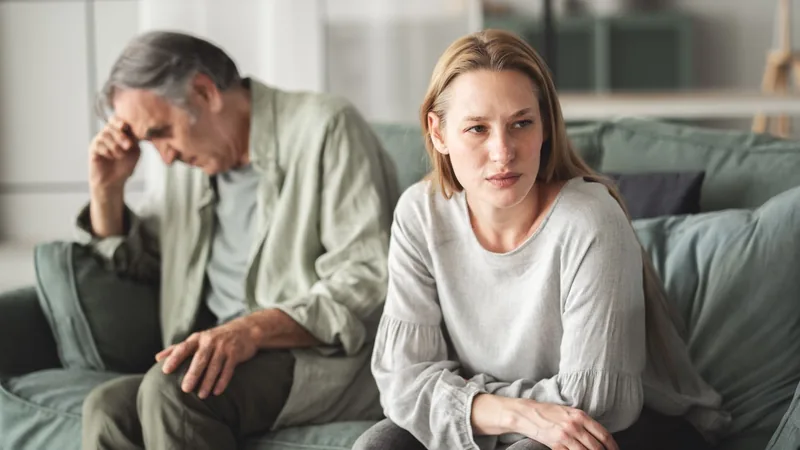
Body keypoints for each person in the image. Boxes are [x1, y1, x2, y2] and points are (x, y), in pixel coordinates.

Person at [353, 29, 730, 450]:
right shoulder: (420, 215)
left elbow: (597, 402)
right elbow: (402, 382)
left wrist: (465, 405)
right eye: (477, 128)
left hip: (642, 428)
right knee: (379, 445)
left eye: (521, 123)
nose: (503, 152)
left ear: (546, 125)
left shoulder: (591, 220)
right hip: (509, 418)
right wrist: (512, 413)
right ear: (438, 133)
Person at [77, 31, 398, 449]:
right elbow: (139, 263)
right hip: (224, 357)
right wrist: (107, 191)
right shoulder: (189, 168)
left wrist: (250, 331)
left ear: (204, 92)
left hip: (317, 356)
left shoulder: (326, 126)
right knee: (106, 407)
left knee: (175, 391)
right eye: (148, 141)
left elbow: (367, 278)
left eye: (161, 131)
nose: (165, 157)